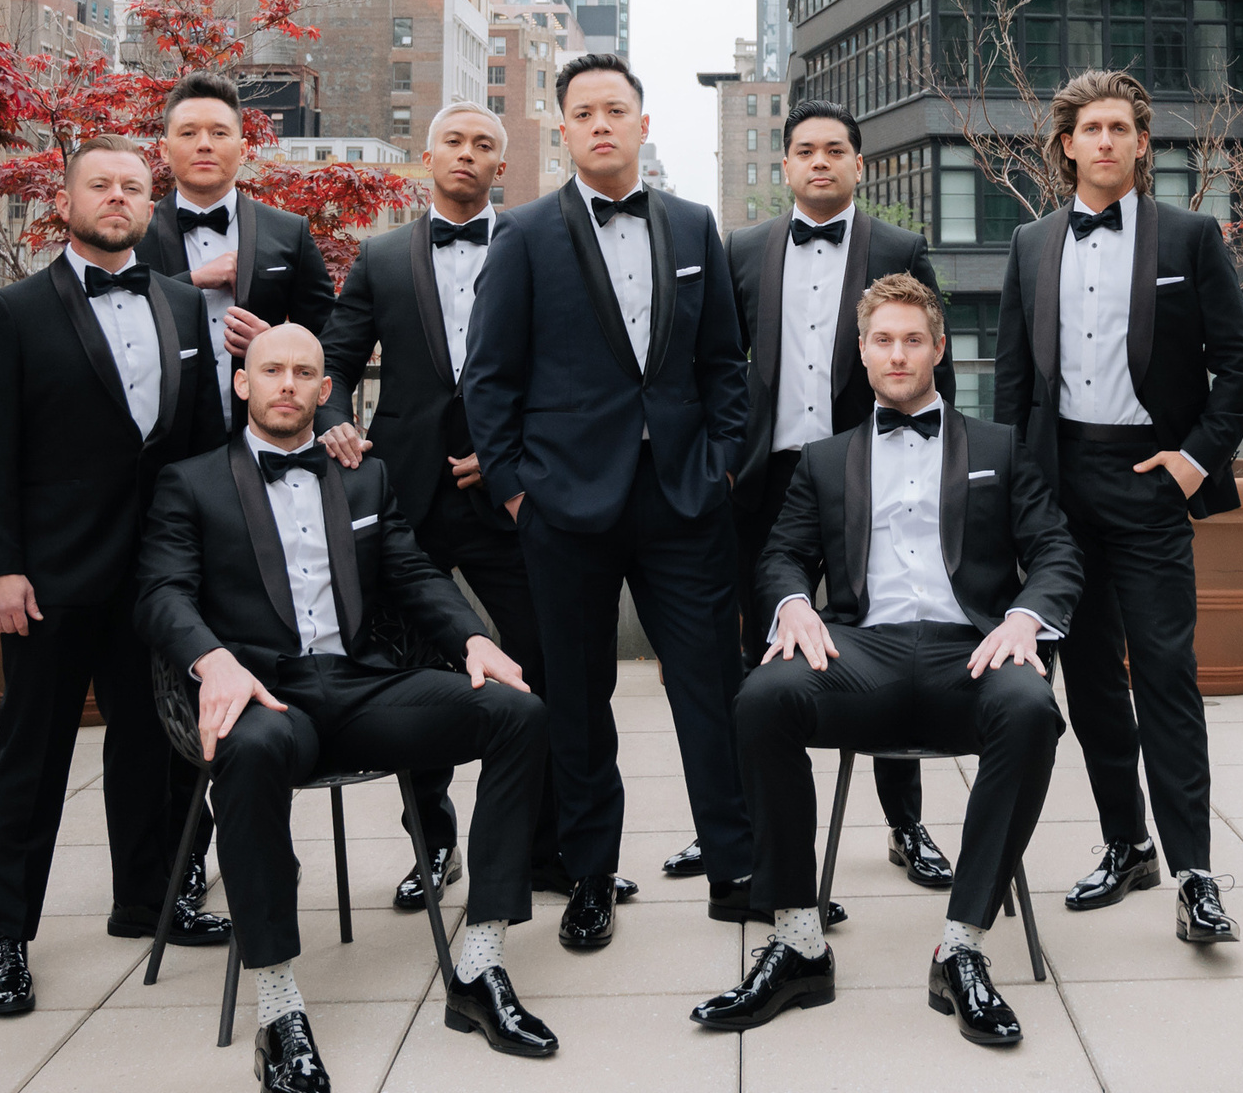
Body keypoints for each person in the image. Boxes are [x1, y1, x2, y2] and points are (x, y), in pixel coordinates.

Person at [135, 326, 558, 1093]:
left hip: (363, 687)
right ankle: (279, 1007)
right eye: (272, 370)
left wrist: (473, 639)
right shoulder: (189, 483)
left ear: (327, 390)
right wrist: (212, 660)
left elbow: (412, 570)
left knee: (518, 712)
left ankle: (480, 960)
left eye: (305, 371)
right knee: (253, 749)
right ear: (242, 385)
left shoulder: (364, 478)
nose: (288, 384)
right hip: (266, 693)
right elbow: (162, 592)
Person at [692, 273, 1082, 1044]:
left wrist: (1025, 618)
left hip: (970, 650)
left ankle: (962, 946)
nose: (898, 353)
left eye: (913, 339)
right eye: (882, 340)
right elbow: (781, 556)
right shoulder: (825, 458)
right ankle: (798, 939)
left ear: (940, 347)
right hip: (859, 651)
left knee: (1033, 709)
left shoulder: (1001, 447)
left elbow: (1056, 552)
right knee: (763, 696)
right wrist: (795, 603)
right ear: (861, 351)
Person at [460, 52, 757, 950]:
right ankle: (589, 875)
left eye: (615, 110)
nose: (600, 123)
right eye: (582, 111)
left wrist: (719, 468)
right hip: (563, 506)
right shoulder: (520, 234)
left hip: (683, 499)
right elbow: (489, 377)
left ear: (642, 123)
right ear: (562, 129)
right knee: (579, 700)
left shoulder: (694, 224)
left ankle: (739, 865)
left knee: (712, 688)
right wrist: (515, 492)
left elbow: (724, 368)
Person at [0, 136, 232, 1020]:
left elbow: (194, 448)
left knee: (157, 748)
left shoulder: (187, 308)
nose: (118, 199)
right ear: (67, 200)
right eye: (100, 185)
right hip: (47, 578)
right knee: (30, 761)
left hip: (153, 578)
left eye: (132, 189)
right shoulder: (13, 309)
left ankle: (148, 899)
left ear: (150, 207)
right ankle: (5, 938)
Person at [991, 69, 1243, 946]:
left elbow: (1242, 364)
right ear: (1065, 144)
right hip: (1060, 486)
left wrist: (1190, 463)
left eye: (1120, 128)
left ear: (1143, 144)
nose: (1105, 141)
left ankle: (1195, 875)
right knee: (1094, 685)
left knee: (1166, 676)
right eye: (1089, 128)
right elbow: (1010, 386)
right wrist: (1012, 492)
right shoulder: (1031, 243)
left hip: (1149, 481)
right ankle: (1125, 846)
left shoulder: (1190, 235)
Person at [663, 98, 957, 893]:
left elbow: (934, 368)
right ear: (785, 165)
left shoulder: (900, 245)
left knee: (893, 631)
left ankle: (906, 823)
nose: (820, 161)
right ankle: (743, 825)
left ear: (859, 164)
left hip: (869, 474)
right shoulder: (745, 246)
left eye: (835, 149)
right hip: (762, 480)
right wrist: (718, 459)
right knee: (758, 652)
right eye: (804, 150)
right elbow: (713, 362)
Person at [316, 101, 575, 909]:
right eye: (454, 142)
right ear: (427, 157)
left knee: (541, 663)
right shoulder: (382, 255)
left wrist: (512, 456)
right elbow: (335, 359)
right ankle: (434, 845)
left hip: (509, 498)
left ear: (504, 165)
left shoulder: (539, 244)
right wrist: (335, 425)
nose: (468, 154)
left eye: (484, 146)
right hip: (409, 498)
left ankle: (548, 847)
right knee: (409, 670)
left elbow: (571, 371)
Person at [135, 70, 337, 434]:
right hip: (162, 439)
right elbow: (117, 319)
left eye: (219, 132)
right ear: (164, 150)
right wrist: (191, 281)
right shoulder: (134, 235)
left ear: (243, 149)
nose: (204, 145)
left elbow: (331, 338)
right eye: (188, 132)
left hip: (266, 438)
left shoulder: (290, 232)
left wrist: (273, 343)